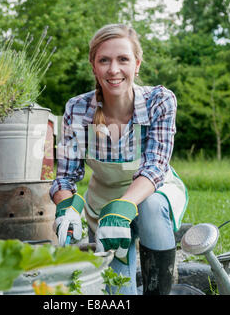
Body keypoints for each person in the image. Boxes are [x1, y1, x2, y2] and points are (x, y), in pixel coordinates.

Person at [50, 24, 188, 295]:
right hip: (103, 208)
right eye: (104, 60)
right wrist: (67, 207)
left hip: (152, 195)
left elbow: (155, 166)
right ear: (93, 66)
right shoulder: (77, 109)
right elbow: (65, 177)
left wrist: (123, 207)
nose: (113, 70)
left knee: (148, 206)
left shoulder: (159, 101)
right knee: (118, 294)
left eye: (123, 59)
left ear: (136, 64)